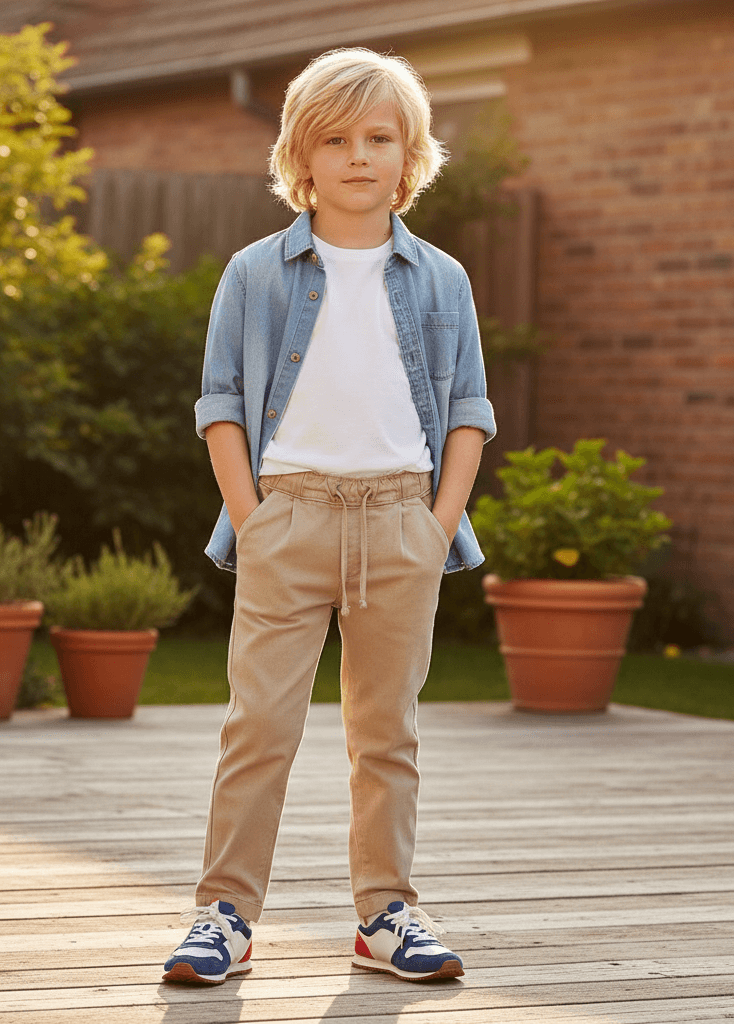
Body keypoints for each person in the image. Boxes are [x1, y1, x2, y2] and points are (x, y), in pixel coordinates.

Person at [162, 46, 495, 986]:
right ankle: (222, 914)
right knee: (258, 726)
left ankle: (385, 914)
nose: (359, 156)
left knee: (386, 732)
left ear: (410, 155)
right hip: (289, 521)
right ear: (300, 159)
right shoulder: (255, 274)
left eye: (379, 137)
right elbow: (220, 403)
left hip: (401, 524)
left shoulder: (443, 281)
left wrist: (435, 526)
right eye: (336, 139)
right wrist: (254, 518)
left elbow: (469, 411)